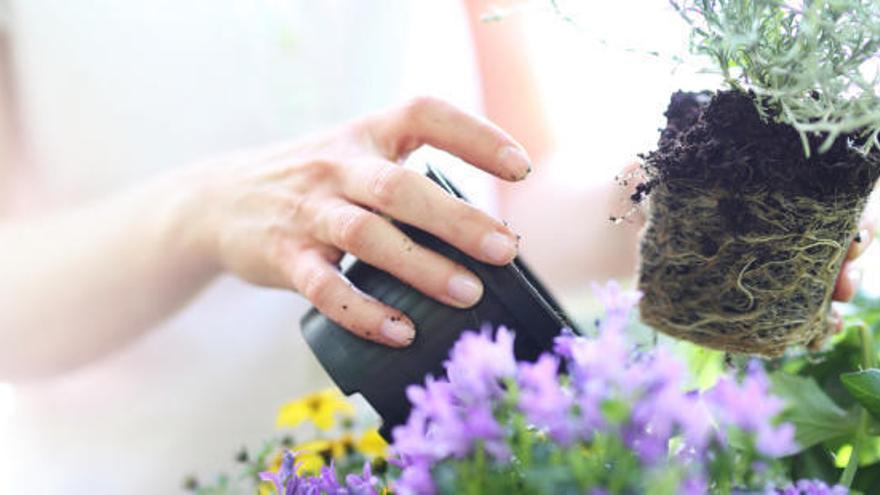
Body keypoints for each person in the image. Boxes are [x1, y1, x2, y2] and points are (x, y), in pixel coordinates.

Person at [0, 1, 871, 493]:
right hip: (139, 469)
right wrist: (203, 209)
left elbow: (512, 198)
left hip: (451, 466)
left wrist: (675, 202)